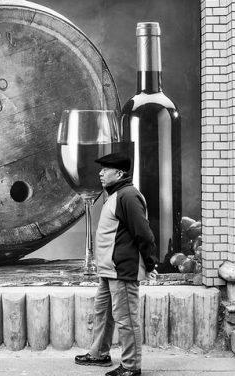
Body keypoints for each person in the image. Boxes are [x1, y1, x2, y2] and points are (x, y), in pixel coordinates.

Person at [74, 152, 159, 376]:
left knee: (126, 319)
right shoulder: (115, 195)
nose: (100, 173)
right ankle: (99, 354)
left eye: (105, 169)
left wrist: (150, 263)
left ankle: (131, 367)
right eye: (101, 169)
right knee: (103, 313)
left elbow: (144, 233)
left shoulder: (128, 196)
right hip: (109, 270)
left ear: (119, 173)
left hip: (122, 270)